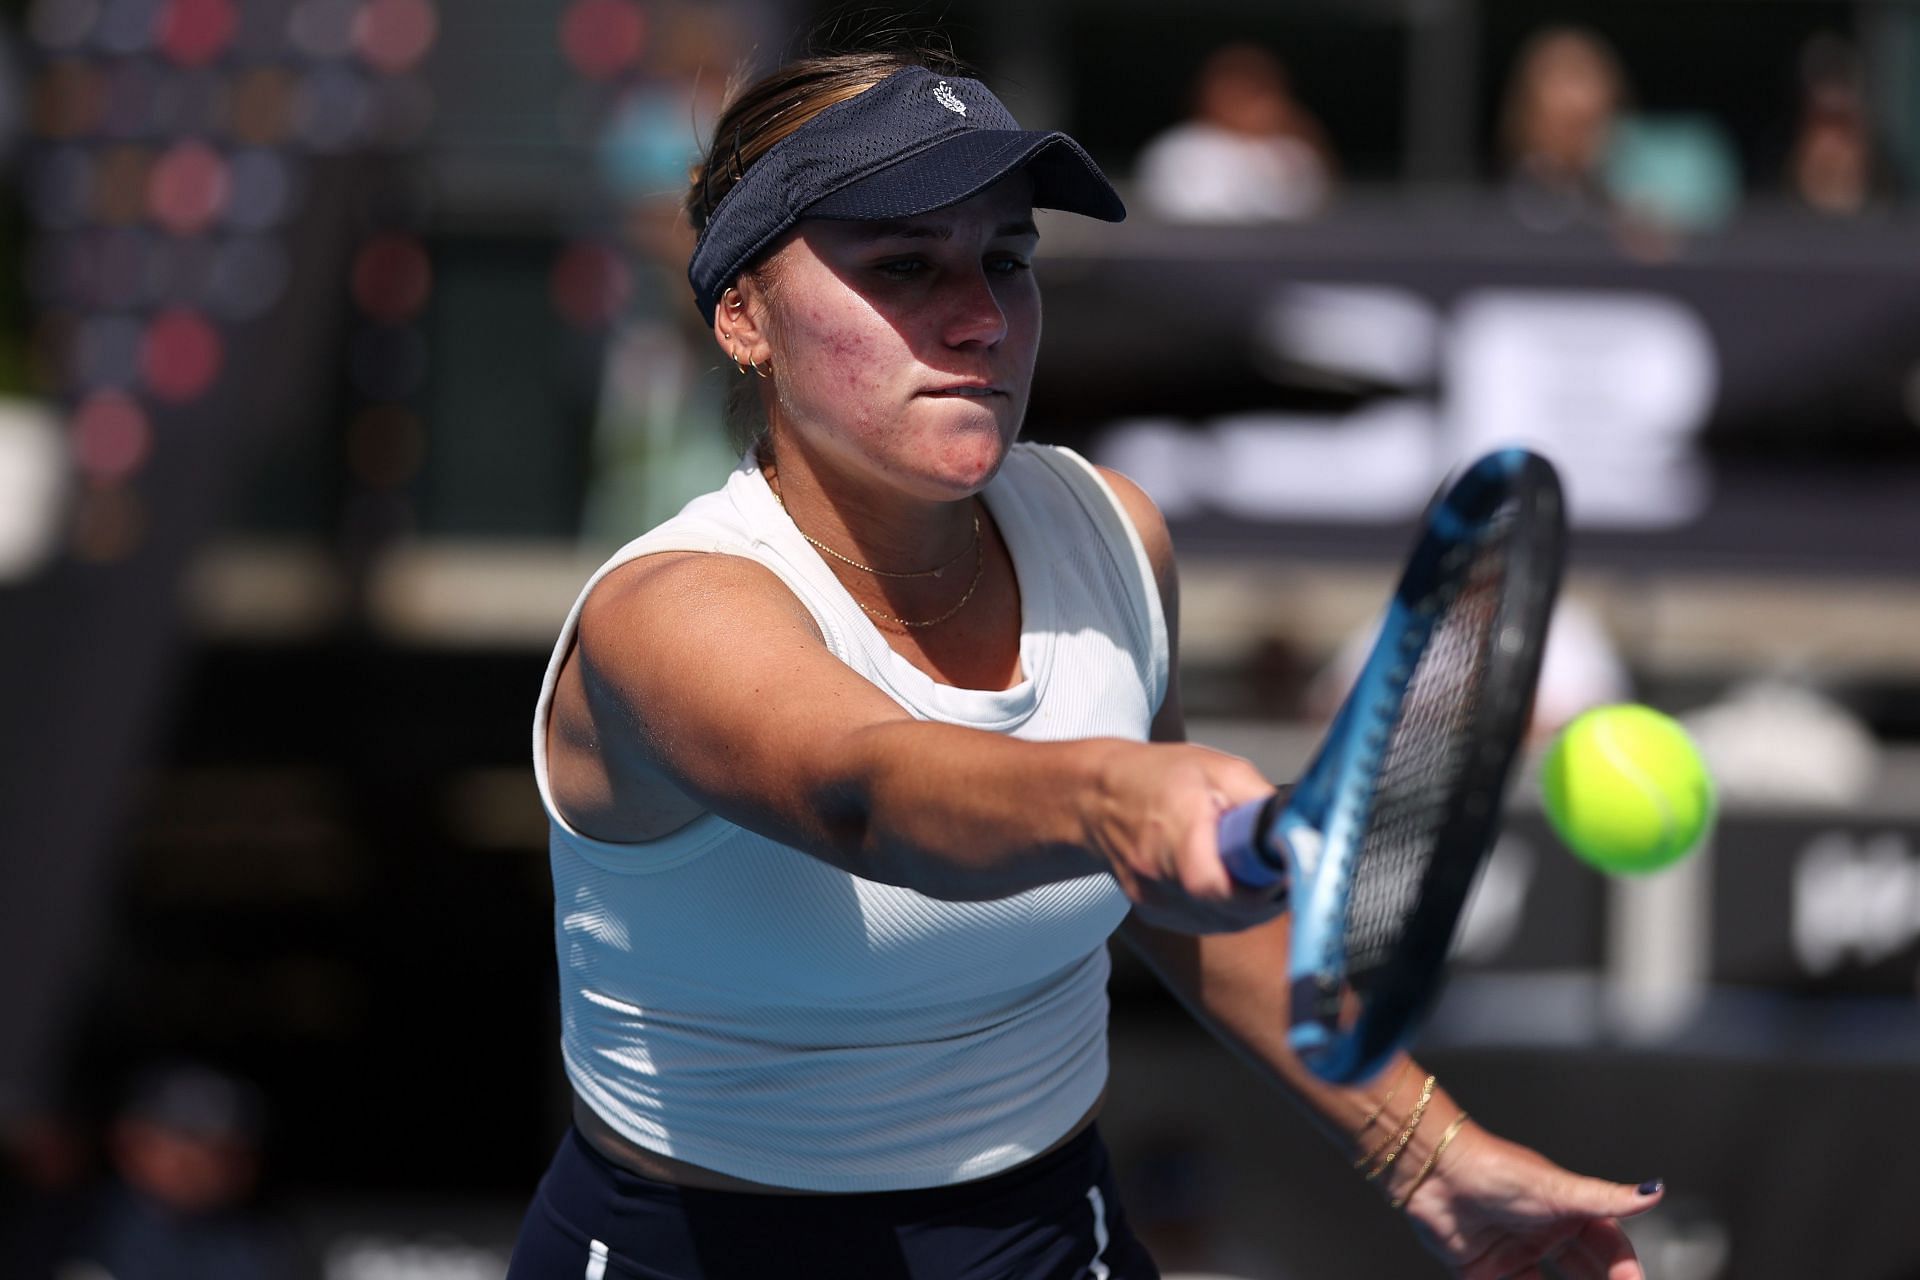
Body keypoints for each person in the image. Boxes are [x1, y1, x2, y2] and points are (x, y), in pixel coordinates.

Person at [512, 43, 1666, 1280]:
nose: (982, 316)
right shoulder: (666, 612)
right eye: (906, 264)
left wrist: (1429, 1154)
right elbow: (870, 791)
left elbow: (1179, 904)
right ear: (742, 312)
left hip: (1052, 1236)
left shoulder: (1114, 533)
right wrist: (1115, 795)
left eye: (1008, 259)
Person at [1134, 43, 1334, 224]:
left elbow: (1308, 210)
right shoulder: (1179, 147)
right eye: (1232, 86)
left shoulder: (1292, 149)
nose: (1243, 98)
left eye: (1257, 89)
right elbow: (1193, 213)